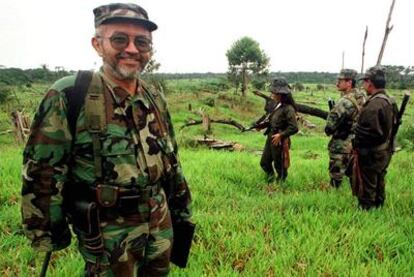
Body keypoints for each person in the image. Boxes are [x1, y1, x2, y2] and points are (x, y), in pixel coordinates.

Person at [21, 3, 192, 276]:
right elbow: (43, 168)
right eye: (119, 39)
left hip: (159, 222)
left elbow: (171, 158)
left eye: (142, 42)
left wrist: (182, 211)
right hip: (107, 231)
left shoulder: (153, 95)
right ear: (97, 44)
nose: (132, 49)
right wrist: (48, 232)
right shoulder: (70, 93)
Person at [352, 66, 398, 210]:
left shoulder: (374, 105)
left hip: (372, 152)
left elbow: (369, 133)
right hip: (385, 149)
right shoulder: (389, 100)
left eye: (364, 82)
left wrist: (356, 141)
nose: (363, 86)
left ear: (369, 83)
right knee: (379, 180)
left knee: (368, 184)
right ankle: (379, 206)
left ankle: (367, 211)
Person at [325, 69, 365, 187]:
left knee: (336, 174)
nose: (337, 83)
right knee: (354, 171)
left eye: (340, 81)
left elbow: (330, 126)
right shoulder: (362, 96)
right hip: (357, 141)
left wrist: (329, 129)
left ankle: (335, 196)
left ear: (349, 83)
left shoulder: (344, 101)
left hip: (341, 143)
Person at [260, 79, 299, 182]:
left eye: (275, 92)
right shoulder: (276, 105)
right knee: (264, 162)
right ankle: (270, 180)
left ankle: (280, 186)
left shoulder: (289, 109)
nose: (272, 94)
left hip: (280, 140)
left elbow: (294, 127)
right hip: (271, 136)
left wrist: (281, 135)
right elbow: (272, 120)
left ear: (281, 94)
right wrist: (261, 125)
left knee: (280, 166)